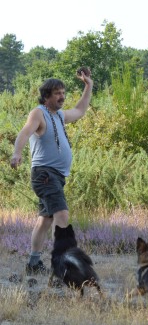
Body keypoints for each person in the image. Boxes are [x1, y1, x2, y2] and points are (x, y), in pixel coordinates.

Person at [10, 68, 93, 275]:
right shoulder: (39, 113)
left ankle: (34, 263)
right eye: (57, 93)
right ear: (46, 96)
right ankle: (62, 265)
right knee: (61, 214)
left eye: (63, 93)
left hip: (55, 176)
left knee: (45, 219)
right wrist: (16, 152)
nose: (62, 96)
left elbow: (80, 111)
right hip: (45, 174)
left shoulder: (59, 115)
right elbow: (25, 131)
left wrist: (88, 86)